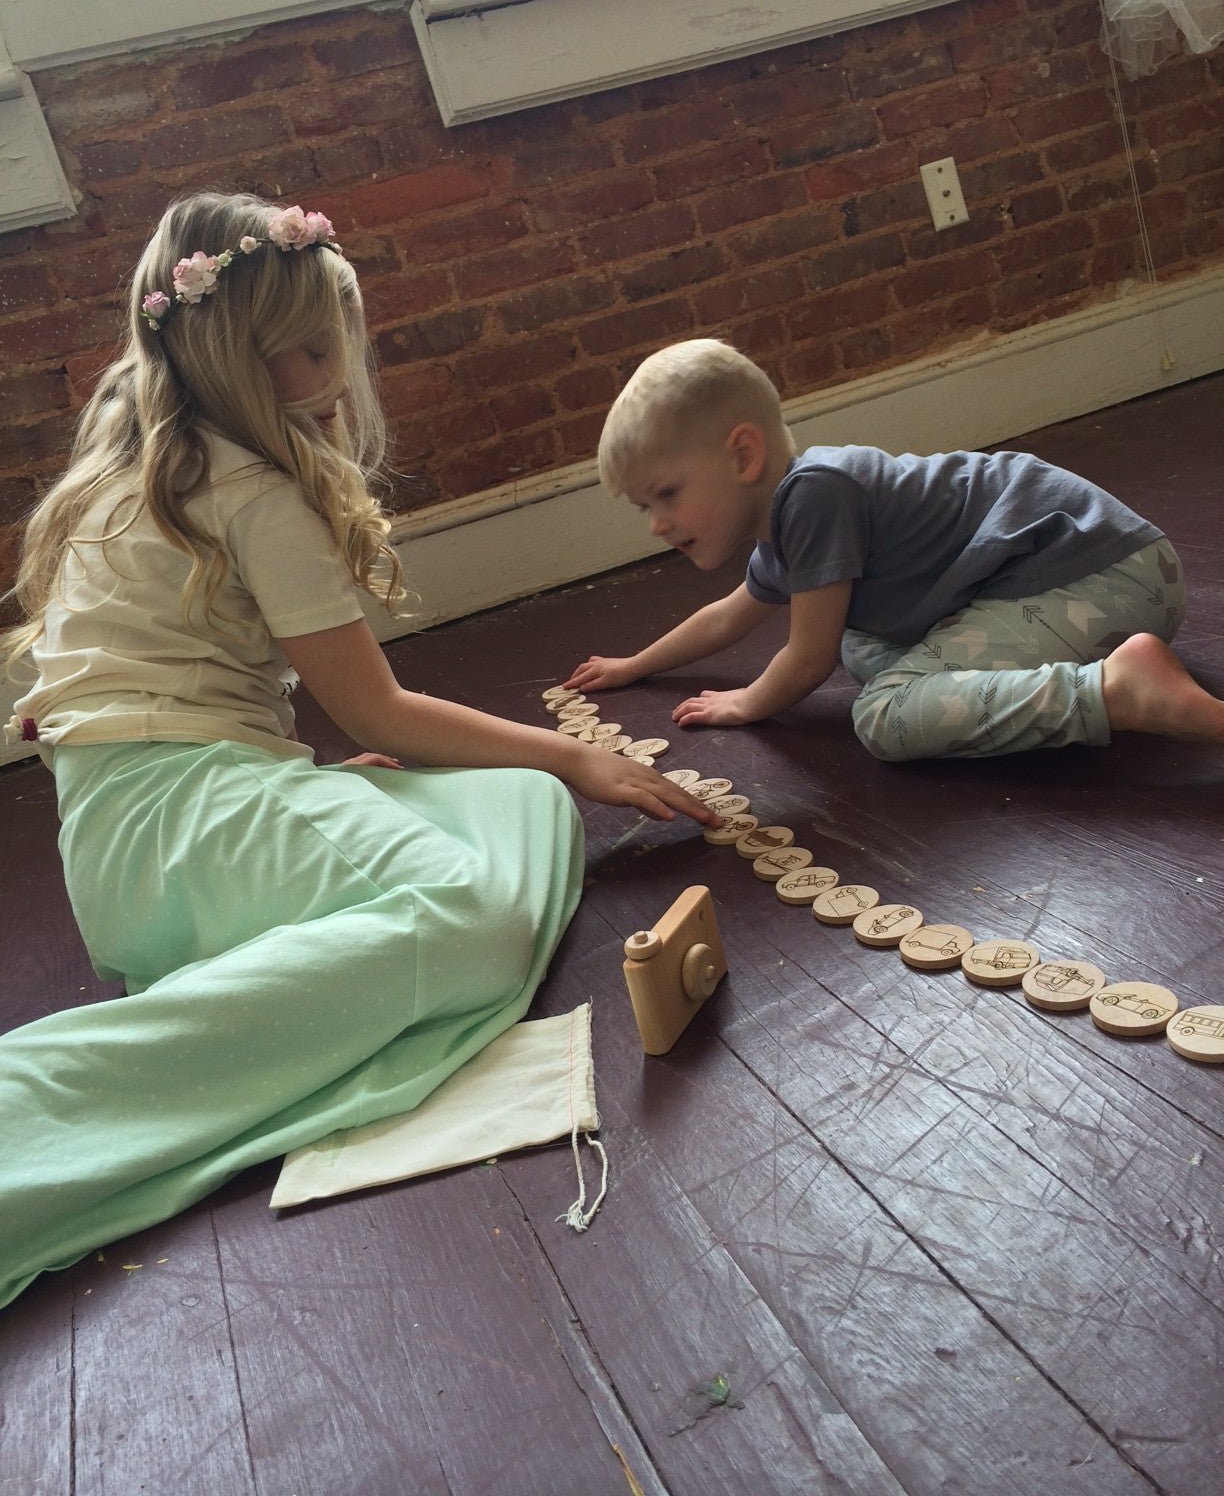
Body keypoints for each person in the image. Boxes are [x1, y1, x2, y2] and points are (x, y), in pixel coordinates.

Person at [0, 191, 713, 1311]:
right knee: (482, 912)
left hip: (139, 844)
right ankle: (53, 1095)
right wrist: (574, 756)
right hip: (173, 825)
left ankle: (263, 965)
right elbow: (374, 711)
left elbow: (188, 702)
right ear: (241, 357)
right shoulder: (248, 490)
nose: (335, 373)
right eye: (311, 351)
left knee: (513, 808)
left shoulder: (149, 467)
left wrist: (324, 787)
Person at [567, 338, 1224, 759]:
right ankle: (1093, 674)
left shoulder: (816, 497)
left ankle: (1118, 690)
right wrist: (634, 665)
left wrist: (745, 702)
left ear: (743, 454)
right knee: (866, 644)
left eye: (667, 494)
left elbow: (805, 661)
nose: (657, 524)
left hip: (1105, 575)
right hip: (1080, 570)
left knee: (882, 717)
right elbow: (729, 616)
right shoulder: (786, 517)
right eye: (644, 508)